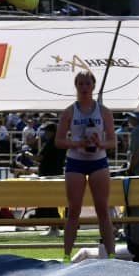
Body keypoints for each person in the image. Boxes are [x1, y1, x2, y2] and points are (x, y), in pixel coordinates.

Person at [55, 69, 115, 261]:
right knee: (73, 210)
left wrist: (100, 144)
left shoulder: (103, 111)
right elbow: (59, 141)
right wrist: (76, 143)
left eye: (87, 84)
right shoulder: (69, 112)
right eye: (80, 84)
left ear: (93, 86)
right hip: (76, 162)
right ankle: (66, 256)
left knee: (102, 209)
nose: (84, 88)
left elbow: (113, 141)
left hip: (98, 161)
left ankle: (112, 256)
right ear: (76, 86)